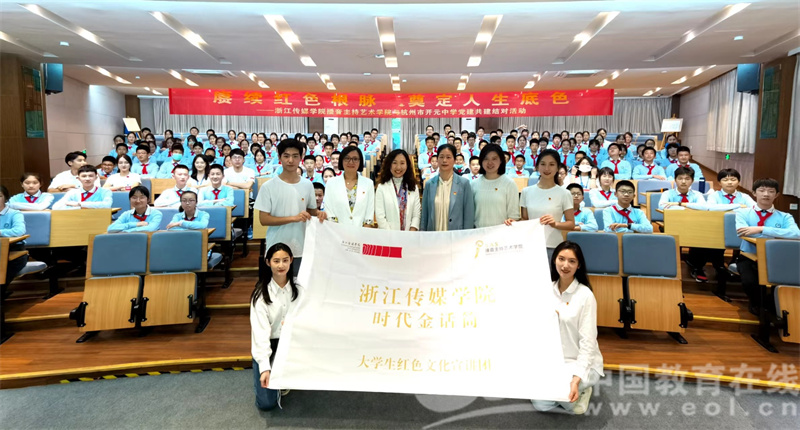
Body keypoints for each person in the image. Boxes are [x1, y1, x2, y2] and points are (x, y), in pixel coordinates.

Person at [531, 241, 603, 415]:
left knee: (568, 400)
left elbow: (588, 343)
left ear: (579, 265)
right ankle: (565, 396)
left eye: (572, 261)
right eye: (561, 259)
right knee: (540, 404)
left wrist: (576, 379)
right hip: (555, 361)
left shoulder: (585, 295)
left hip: (580, 362)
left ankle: (583, 390)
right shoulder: (546, 290)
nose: (565, 265)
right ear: (554, 260)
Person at [254, 139, 324, 278]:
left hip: (301, 244)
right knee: (277, 285)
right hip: (277, 245)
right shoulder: (269, 186)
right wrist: (293, 218)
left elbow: (310, 210)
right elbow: (264, 219)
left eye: (295, 156)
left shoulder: (307, 185)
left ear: (301, 157)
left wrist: (319, 213)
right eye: (286, 156)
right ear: (279, 157)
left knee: (299, 284)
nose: (291, 160)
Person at [735, 178, 800, 314]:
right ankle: (759, 306)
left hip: (777, 258)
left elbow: (796, 234)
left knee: (783, 284)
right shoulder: (743, 213)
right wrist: (778, 234)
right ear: (754, 193)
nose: (766, 194)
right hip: (749, 257)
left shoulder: (785, 216)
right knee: (750, 282)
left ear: (776, 195)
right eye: (762, 190)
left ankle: (773, 308)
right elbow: (742, 231)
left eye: (771, 191)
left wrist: (761, 229)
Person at [250, 243, 299, 411]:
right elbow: (260, 335)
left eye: (285, 260)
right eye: (276, 261)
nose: (281, 265)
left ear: (291, 260)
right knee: (266, 403)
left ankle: (287, 376)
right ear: (268, 262)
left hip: (293, 343)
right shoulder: (260, 295)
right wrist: (265, 367)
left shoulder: (299, 288)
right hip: (271, 344)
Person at [520, 149, 574, 258]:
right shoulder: (526, 191)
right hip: (531, 244)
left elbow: (571, 224)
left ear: (558, 168)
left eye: (552, 164)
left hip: (553, 246)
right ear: (537, 166)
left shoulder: (564, 193)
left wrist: (555, 224)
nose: (547, 168)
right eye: (543, 164)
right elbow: (524, 220)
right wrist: (513, 223)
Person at [420, 144, 475, 232]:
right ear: (437, 159)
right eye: (441, 157)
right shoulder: (429, 184)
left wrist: (467, 236)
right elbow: (424, 215)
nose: (444, 160)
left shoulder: (464, 184)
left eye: (448, 157)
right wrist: (422, 233)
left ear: (454, 160)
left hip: (456, 236)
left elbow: (469, 215)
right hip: (433, 235)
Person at [322, 146, 375, 227]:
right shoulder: (331, 183)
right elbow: (330, 212)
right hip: (337, 231)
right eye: (347, 158)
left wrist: (364, 231)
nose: (351, 162)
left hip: (361, 231)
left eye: (355, 159)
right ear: (341, 160)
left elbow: (369, 215)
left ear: (360, 161)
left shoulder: (368, 184)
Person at [471, 145, 520, 228]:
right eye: (486, 159)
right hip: (479, 233)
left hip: (501, 233)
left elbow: (514, 216)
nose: (490, 162)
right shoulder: (474, 184)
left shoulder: (509, 184)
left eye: (494, 159)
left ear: (501, 160)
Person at [375, 149, 421, 231]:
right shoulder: (382, 187)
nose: (398, 167)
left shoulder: (413, 187)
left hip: (409, 235)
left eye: (402, 163)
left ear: (407, 165)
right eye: (394, 163)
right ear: (389, 164)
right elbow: (380, 216)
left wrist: (412, 231)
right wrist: (392, 236)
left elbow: (416, 214)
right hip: (387, 235)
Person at [0, 185, 28, 286]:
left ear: (6, 198)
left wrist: (0, 232)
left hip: (14, 251)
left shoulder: (15, 213)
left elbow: (19, 231)